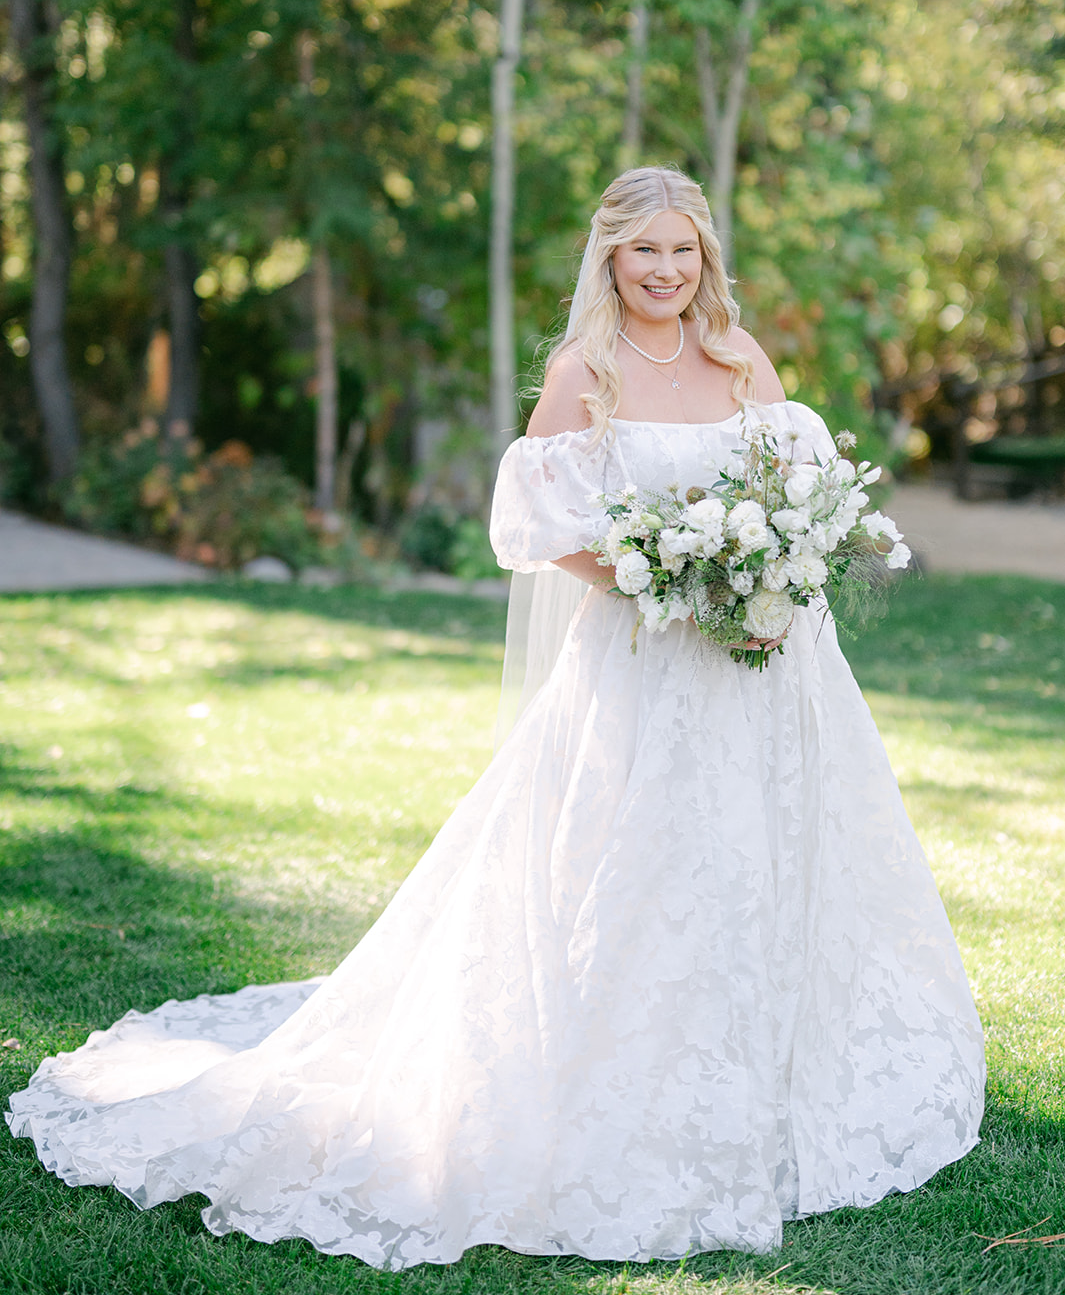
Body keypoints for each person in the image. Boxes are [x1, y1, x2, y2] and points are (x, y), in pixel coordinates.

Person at [7, 165, 984, 1267]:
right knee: (641, 869)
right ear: (609, 258)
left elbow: (797, 500)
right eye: (644, 252)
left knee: (767, 857)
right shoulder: (585, 373)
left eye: (684, 252)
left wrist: (771, 582)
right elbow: (541, 526)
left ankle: (773, 1075)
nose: (666, 272)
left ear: (706, 259)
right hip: (643, 662)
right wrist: (665, 577)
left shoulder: (739, 359)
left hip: (769, 668)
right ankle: (623, 1082)